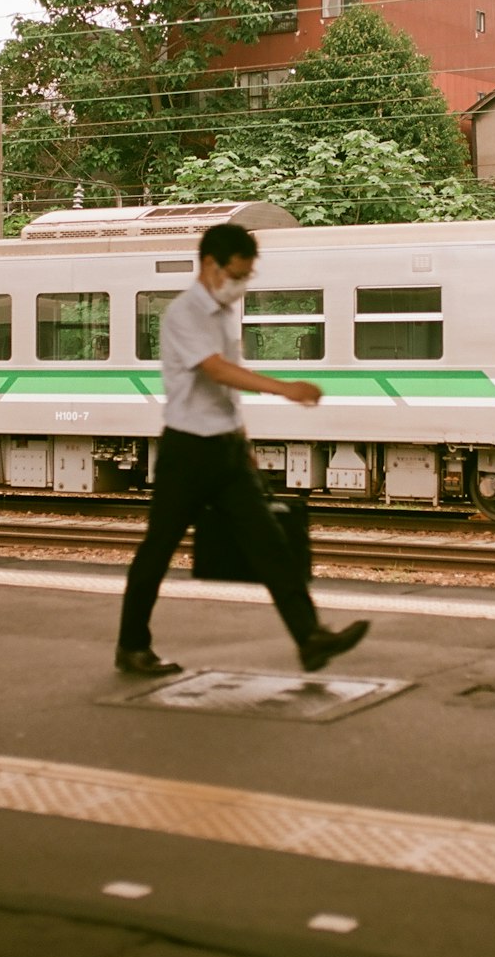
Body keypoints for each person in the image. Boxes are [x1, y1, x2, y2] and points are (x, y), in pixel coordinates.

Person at [116, 222, 369, 676]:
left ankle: (309, 638)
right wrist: (284, 388)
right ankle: (132, 646)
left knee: (270, 542)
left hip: (226, 450)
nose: (241, 284)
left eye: (247, 275)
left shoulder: (220, 314)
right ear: (210, 266)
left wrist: (243, 439)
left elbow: (225, 388)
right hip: (188, 451)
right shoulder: (184, 315)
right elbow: (217, 372)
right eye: (237, 274)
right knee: (158, 548)